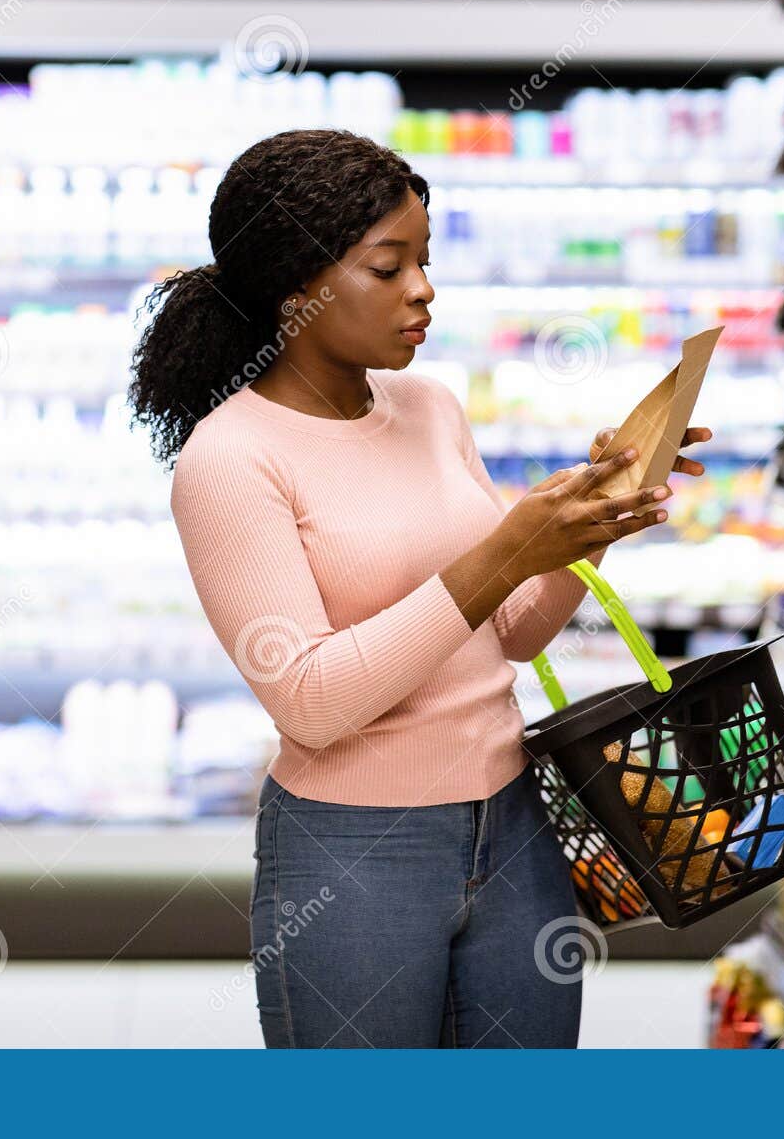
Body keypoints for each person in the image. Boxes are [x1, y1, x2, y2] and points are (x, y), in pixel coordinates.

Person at [131, 128, 711, 1048]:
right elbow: (313, 702)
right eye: (388, 267)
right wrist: (505, 551)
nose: (424, 290)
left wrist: (590, 522)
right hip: (354, 855)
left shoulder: (430, 406)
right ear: (297, 287)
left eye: (426, 261)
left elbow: (509, 631)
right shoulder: (230, 459)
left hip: (516, 825)